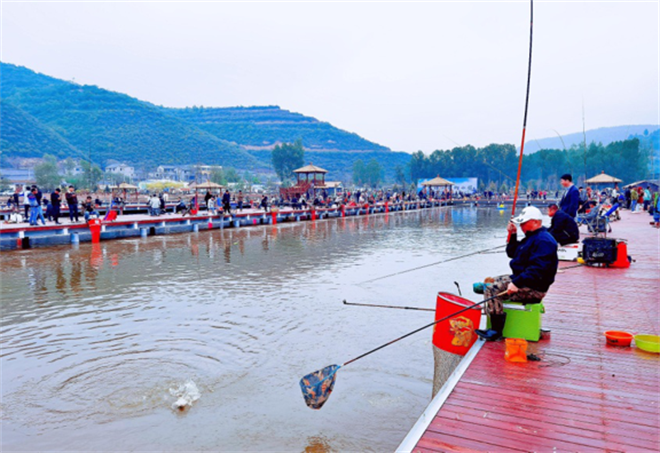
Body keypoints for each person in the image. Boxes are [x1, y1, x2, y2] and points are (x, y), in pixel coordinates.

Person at [475, 206, 558, 341]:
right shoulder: (531, 237)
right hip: (523, 278)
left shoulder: (544, 241)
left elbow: (538, 270)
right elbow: (512, 253)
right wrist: (513, 234)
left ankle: (495, 330)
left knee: (492, 289)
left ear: (536, 222)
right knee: (490, 282)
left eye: (524, 223)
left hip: (534, 287)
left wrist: (516, 283)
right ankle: (493, 309)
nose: (522, 226)